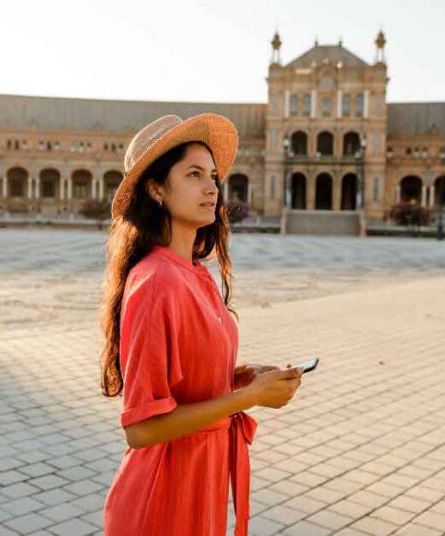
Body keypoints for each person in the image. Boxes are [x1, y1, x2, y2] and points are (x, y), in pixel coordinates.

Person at [99, 113, 304, 535]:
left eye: (213, 175)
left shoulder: (195, 273)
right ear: (156, 189)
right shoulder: (154, 282)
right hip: (163, 496)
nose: (212, 187)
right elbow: (141, 428)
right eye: (194, 174)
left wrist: (243, 376)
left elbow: (184, 379)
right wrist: (246, 399)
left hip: (201, 482)